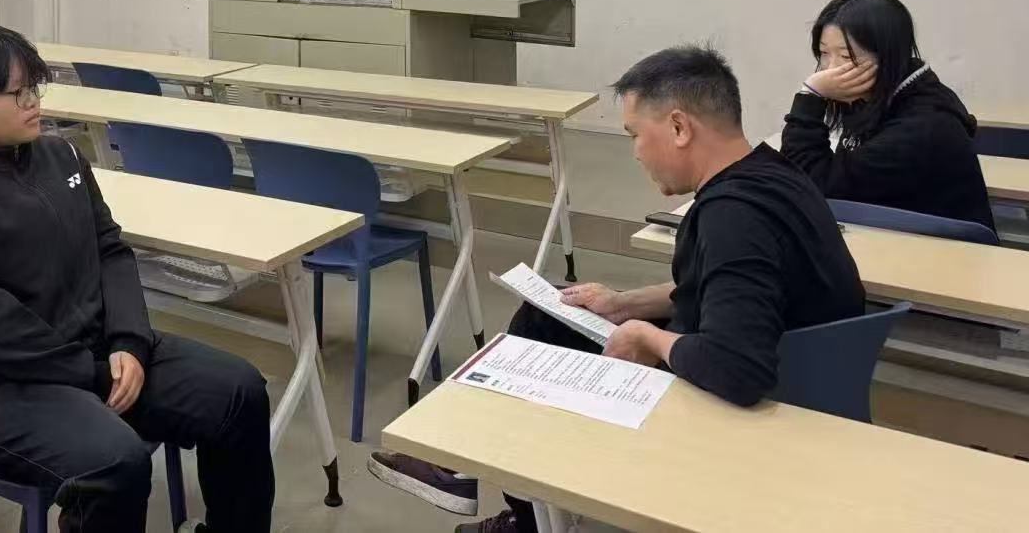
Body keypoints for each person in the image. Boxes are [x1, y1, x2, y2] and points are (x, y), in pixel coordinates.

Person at [367, 45, 865, 533]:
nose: (635, 153)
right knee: (548, 312)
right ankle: (498, 494)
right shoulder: (773, 174)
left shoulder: (733, 218)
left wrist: (647, 337)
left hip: (749, 402)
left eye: (635, 135)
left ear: (678, 128)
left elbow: (739, 369)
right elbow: (720, 286)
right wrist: (623, 305)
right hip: (797, 368)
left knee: (532, 358)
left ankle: (510, 501)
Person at [0, 25, 274, 533]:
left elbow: (110, 250)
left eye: (35, 86)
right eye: (17, 93)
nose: (33, 102)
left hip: (97, 351)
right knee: (114, 462)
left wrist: (129, 342)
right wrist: (92, 373)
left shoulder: (62, 156)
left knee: (239, 390)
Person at [781, 0, 994, 229]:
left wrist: (811, 95)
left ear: (887, 55)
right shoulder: (875, 96)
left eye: (846, 57)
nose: (830, 69)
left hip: (945, 247)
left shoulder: (922, 127)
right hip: (891, 234)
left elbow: (810, 184)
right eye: (824, 53)